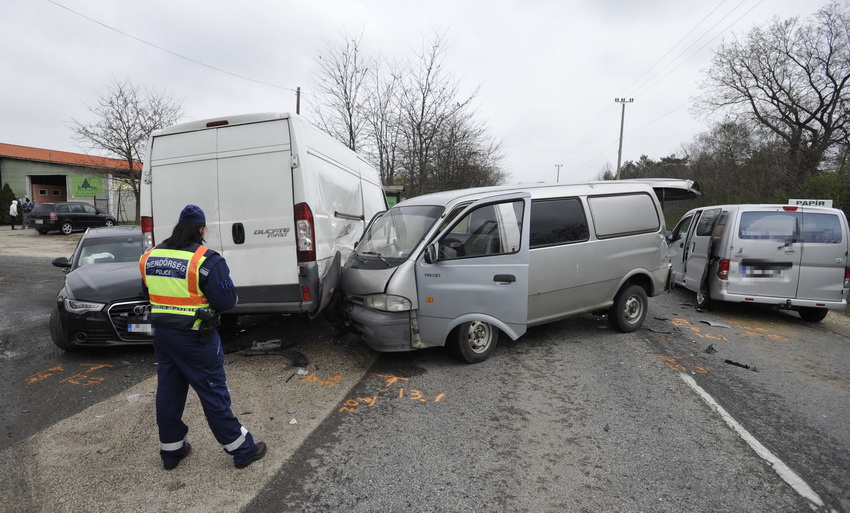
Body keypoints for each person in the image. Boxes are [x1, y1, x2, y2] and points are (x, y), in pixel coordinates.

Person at [139, 204, 266, 470]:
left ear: (176, 228)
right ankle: (241, 449)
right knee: (212, 392)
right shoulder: (206, 260)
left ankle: (171, 451)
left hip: (162, 335)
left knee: (169, 392)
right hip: (196, 338)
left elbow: (147, 293)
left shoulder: (150, 256)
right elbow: (226, 300)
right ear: (201, 229)